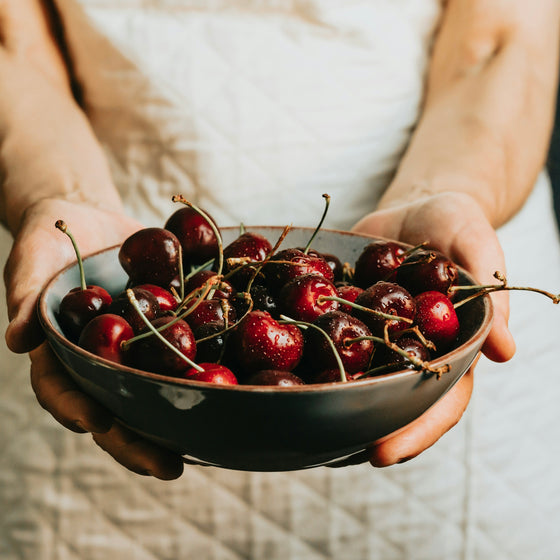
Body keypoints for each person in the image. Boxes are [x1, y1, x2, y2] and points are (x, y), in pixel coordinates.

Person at [1, 0, 559, 558]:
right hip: (119, 331)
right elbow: (13, 41)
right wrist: (64, 193)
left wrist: (450, 189)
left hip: (420, 266)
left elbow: (500, 41)